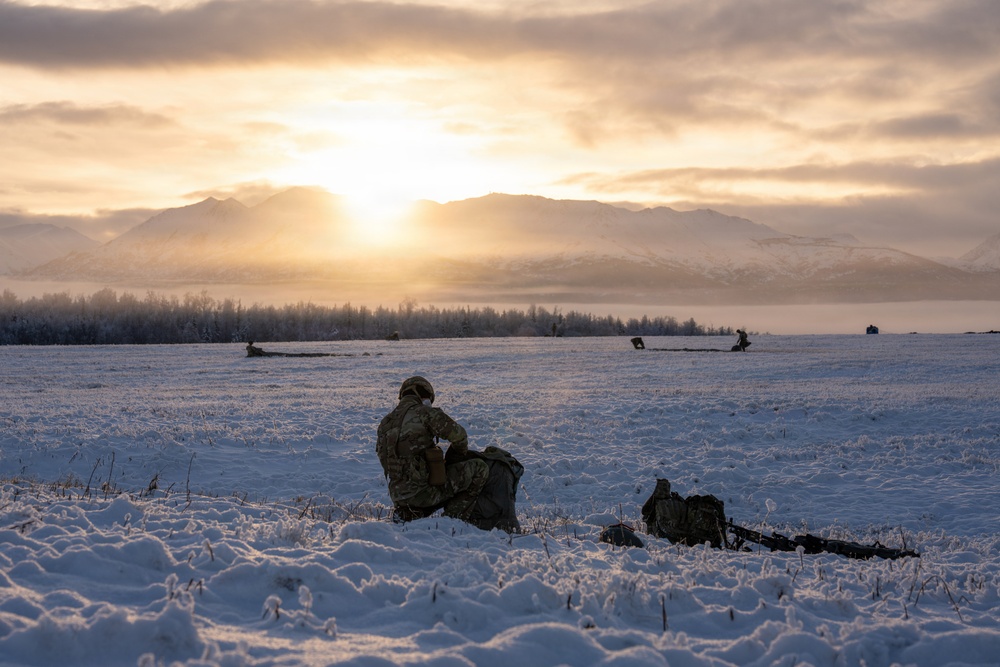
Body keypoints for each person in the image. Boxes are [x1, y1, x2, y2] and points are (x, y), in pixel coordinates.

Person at [376, 376, 489, 523]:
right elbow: (460, 436)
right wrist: (455, 457)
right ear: (424, 395)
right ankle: (452, 520)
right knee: (480, 468)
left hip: (398, 496)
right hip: (424, 494)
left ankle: (410, 513)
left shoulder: (385, 423)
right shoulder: (425, 413)